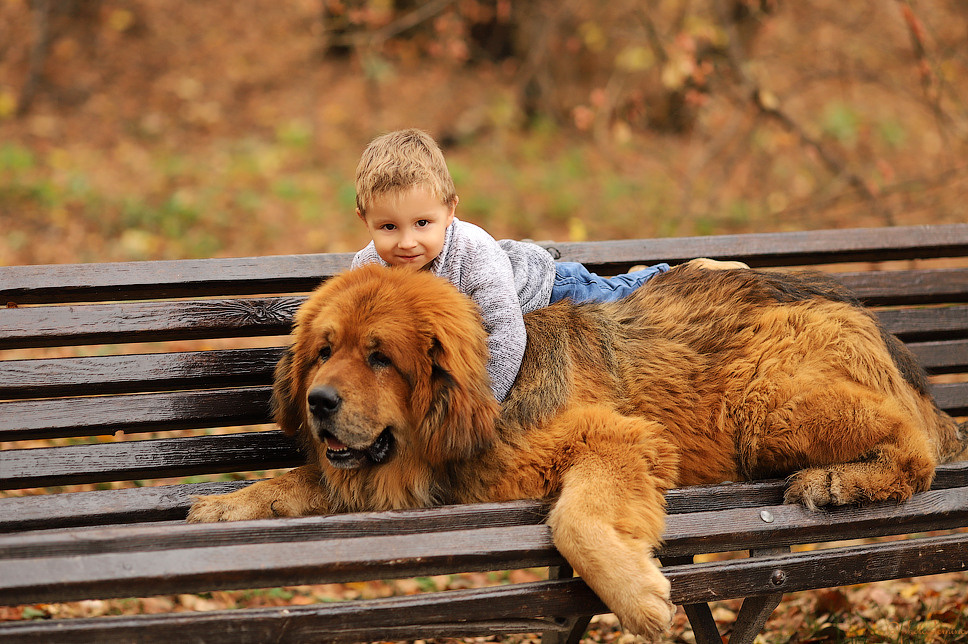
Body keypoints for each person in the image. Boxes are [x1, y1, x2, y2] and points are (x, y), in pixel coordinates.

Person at [351, 128, 747, 402]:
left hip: (547, 288)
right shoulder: (366, 268)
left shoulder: (473, 254)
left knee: (620, 297)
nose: (406, 242)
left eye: (422, 223)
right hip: (519, 287)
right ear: (364, 220)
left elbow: (506, 332)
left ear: (450, 210)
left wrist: (484, 400)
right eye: (388, 227)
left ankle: (682, 274)